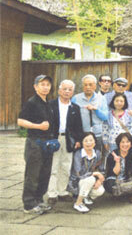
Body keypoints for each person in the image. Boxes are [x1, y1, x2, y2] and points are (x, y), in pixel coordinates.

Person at [18, 74, 56, 214]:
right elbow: (21, 121)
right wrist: (38, 126)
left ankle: (39, 200)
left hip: (48, 144)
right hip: (35, 142)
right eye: (42, 84)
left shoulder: (47, 102)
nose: (45, 87)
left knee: (44, 173)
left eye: (47, 84)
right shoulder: (31, 102)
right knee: (32, 174)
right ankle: (29, 204)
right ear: (35, 87)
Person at [48, 79, 83, 205]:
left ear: (73, 92)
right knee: (53, 166)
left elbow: (79, 126)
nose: (67, 92)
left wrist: (79, 140)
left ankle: (62, 191)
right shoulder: (50, 105)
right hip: (54, 138)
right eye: (65, 89)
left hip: (69, 140)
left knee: (66, 166)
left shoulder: (75, 107)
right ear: (59, 90)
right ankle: (52, 193)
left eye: (70, 89)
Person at [68, 132, 105, 213]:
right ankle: (78, 203)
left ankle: (86, 196)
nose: (88, 143)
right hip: (76, 182)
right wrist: (95, 174)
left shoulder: (97, 153)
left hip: (89, 181)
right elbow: (79, 173)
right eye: (86, 141)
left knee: (100, 191)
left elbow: (102, 170)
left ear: (95, 142)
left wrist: (99, 180)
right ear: (82, 143)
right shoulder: (78, 154)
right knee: (90, 179)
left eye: (91, 140)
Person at [72, 74, 109, 151]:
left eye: (90, 85)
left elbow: (105, 117)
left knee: (98, 158)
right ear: (83, 86)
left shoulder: (101, 98)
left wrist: (96, 109)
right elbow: (71, 118)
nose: (88, 87)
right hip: (82, 135)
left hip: (97, 135)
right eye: (85, 85)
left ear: (95, 86)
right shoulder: (76, 98)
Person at [104, 132, 132, 203]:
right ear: (118, 143)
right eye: (122, 142)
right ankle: (119, 193)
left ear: (131, 143)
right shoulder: (113, 154)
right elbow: (115, 172)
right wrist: (117, 161)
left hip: (128, 177)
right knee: (109, 185)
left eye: (127, 142)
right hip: (116, 177)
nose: (125, 144)